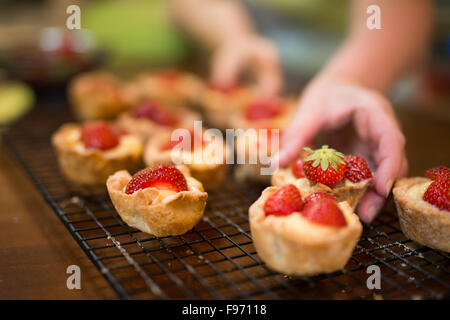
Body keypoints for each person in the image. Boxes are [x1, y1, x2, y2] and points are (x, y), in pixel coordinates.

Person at [170, 0, 434, 223]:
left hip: (368, 82)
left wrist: (353, 79)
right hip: (262, 74)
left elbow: (402, 13)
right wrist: (236, 39)